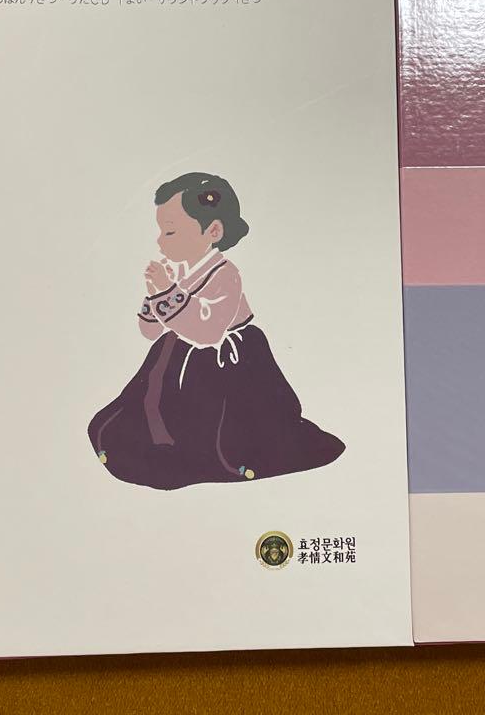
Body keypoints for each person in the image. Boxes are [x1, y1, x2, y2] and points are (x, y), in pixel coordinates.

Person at [87, 172, 345, 490]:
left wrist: (167, 292)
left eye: (170, 231)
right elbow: (149, 331)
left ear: (213, 230)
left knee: (218, 423)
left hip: (226, 362)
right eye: (161, 231)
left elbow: (208, 332)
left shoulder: (226, 274)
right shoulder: (176, 273)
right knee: (153, 408)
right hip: (178, 356)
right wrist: (156, 294)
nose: (160, 241)